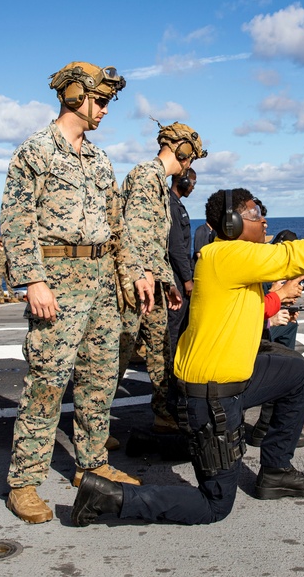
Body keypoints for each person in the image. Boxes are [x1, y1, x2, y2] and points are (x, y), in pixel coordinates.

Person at [71, 187, 304, 527]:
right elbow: (293, 255)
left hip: (226, 384)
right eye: (255, 214)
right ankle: (109, 498)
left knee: (296, 373)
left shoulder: (228, 260)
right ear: (232, 222)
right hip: (212, 400)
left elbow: (282, 273)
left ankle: (276, 471)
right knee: (214, 506)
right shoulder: (228, 256)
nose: (263, 219)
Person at [0, 61, 153, 524]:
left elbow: (118, 225)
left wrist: (137, 273)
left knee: (100, 379)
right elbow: (16, 221)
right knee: (47, 381)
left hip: (102, 277)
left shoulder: (100, 159)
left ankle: (91, 464)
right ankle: (24, 482)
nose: (105, 110)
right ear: (73, 96)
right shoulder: (35, 152)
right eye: (101, 101)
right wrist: (33, 280)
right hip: (57, 277)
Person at [117, 121, 207, 435]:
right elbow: (138, 236)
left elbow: (157, 242)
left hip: (153, 282)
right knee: (119, 354)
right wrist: (146, 279)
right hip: (135, 285)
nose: (190, 162)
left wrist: (166, 283)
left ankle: (163, 411)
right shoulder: (146, 176)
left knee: (161, 349)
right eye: (190, 155)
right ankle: (94, 432)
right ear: (181, 149)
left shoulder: (158, 181)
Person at [166, 167, 196, 358]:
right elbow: (176, 248)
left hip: (179, 274)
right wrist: (187, 279)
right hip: (176, 276)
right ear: (183, 182)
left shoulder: (175, 204)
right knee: (174, 326)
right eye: (192, 183)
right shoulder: (171, 206)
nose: (193, 187)